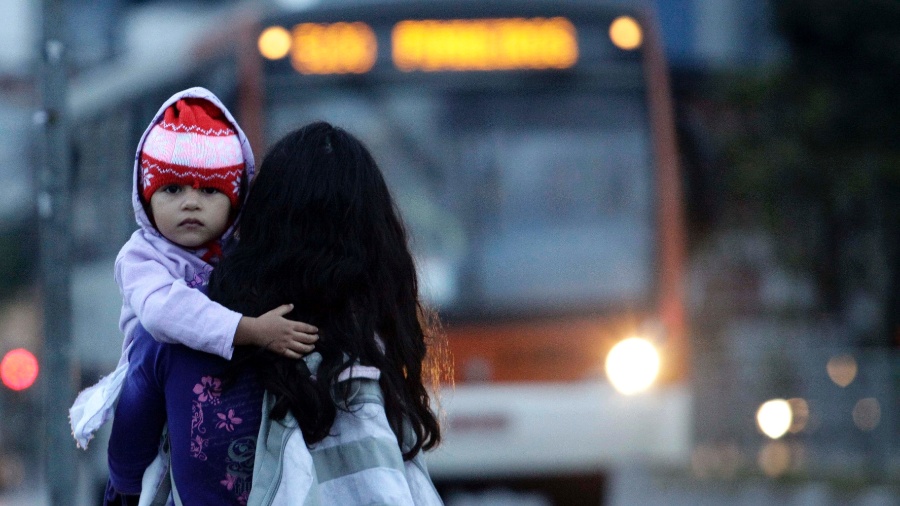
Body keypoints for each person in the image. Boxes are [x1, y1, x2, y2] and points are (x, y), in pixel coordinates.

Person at [106, 121, 446, 505]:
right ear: (378, 244)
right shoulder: (370, 358)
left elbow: (127, 468)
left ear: (255, 216)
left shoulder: (182, 330)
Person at [69, 87, 319, 452]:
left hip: (211, 402)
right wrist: (251, 330)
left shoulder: (240, 255)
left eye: (210, 191)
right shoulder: (140, 258)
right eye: (171, 189)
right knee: (136, 406)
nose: (190, 203)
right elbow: (164, 313)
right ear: (145, 196)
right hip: (151, 396)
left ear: (237, 200)